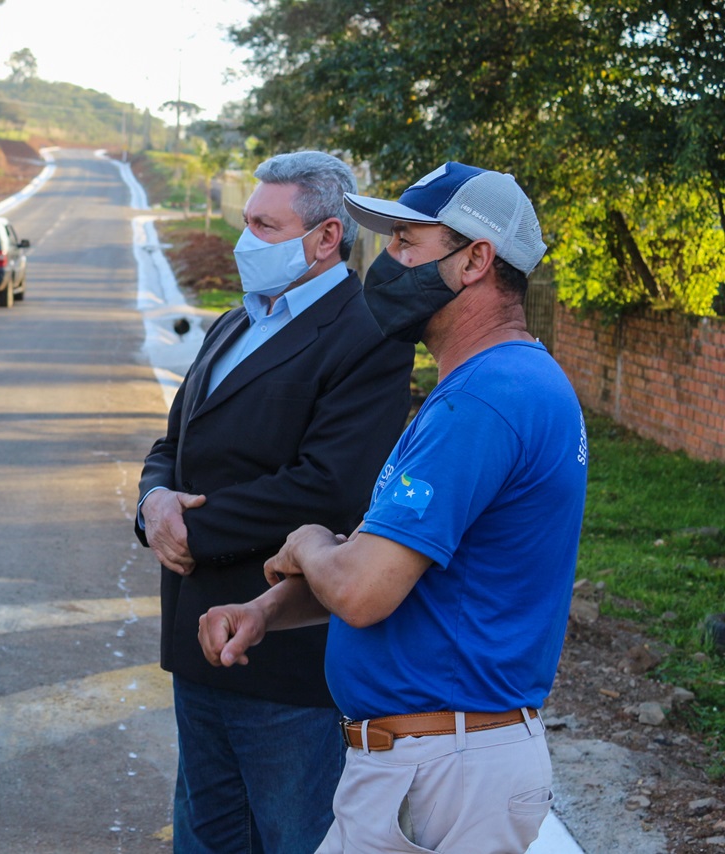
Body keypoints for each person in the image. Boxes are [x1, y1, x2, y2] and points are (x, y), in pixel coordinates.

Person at [198, 162, 589, 854]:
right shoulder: (501, 382)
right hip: (439, 761)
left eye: (408, 244)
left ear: (475, 260)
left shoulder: (482, 401)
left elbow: (360, 585)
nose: (387, 263)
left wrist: (309, 540)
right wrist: (264, 612)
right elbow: (393, 565)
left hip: (440, 772)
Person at [136, 151, 416, 852]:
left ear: (326, 238)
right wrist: (153, 503)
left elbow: (330, 485)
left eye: (265, 226)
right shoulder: (236, 323)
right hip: (196, 640)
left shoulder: (366, 338)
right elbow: (175, 442)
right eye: (245, 223)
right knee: (206, 836)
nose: (243, 243)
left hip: (285, 658)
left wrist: (191, 530)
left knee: (293, 834)